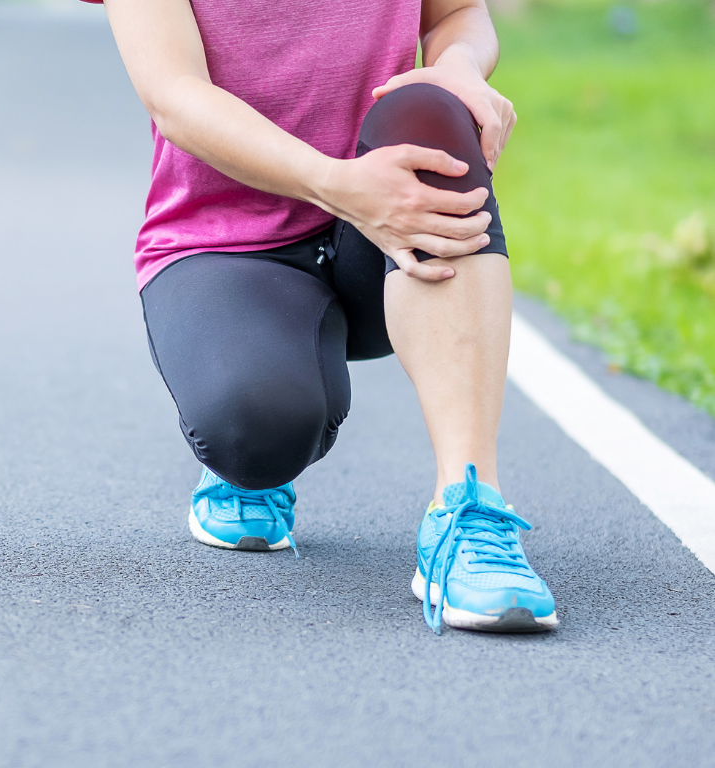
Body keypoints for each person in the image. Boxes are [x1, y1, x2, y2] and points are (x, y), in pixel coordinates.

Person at [89, 0, 557, 633]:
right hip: (228, 241)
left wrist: (460, 68)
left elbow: (458, 14)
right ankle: (254, 450)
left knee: (433, 109)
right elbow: (174, 94)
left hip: (386, 230)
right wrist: (337, 184)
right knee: (256, 430)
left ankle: (469, 511)